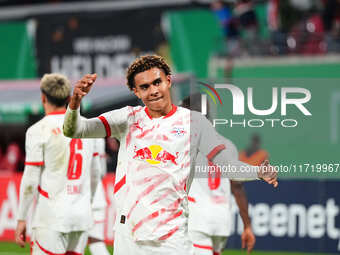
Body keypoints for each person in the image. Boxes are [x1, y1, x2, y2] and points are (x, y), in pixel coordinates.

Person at [63, 55, 278, 255]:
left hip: (173, 236)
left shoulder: (195, 122)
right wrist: (75, 104)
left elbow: (227, 165)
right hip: (129, 234)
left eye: (157, 82)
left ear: (168, 81)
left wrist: (258, 171)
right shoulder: (128, 118)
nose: (154, 90)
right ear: (136, 92)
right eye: (145, 87)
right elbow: (74, 130)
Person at [15, 73, 101, 255]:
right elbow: (96, 174)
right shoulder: (89, 127)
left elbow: (30, 179)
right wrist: (87, 202)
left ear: (43, 97)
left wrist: (21, 218)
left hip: (51, 218)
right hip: (81, 217)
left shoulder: (38, 130)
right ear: (69, 98)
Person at [188, 135, 255, 255]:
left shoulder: (187, 142)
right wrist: (247, 226)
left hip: (197, 217)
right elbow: (237, 188)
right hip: (221, 218)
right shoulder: (229, 145)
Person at [88, 138, 111, 255]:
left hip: (76, 195)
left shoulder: (70, 133)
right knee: (96, 242)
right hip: (97, 195)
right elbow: (101, 171)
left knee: (71, 243)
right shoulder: (98, 137)